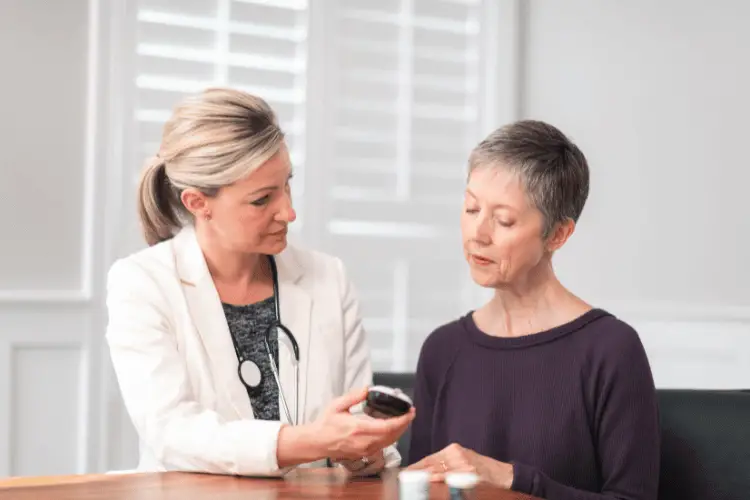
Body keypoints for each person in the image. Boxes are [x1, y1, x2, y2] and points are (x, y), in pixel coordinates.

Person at [105, 88, 414, 477]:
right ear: (198, 203)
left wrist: (364, 448)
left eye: (287, 184)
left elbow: (357, 445)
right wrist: (316, 441)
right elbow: (172, 432)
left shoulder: (328, 278)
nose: (288, 211)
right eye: (262, 199)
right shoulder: (142, 284)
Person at [405, 120, 660, 499]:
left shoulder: (611, 350)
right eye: (472, 208)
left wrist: (513, 479)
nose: (479, 233)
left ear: (558, 234)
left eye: (503, 220)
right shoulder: (442, 350)